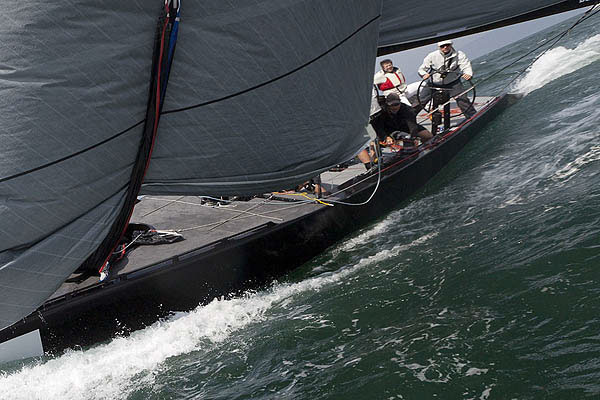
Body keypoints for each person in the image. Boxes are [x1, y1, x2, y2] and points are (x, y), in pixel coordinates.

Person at [417, 40, 476, 118]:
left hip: (453, 83)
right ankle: (407, 120)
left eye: (447, 45)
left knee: (463, 100)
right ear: (439, 47)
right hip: (433, 84)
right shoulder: (432, 56)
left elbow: (466, 65)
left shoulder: (459, 55)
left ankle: (472, 116)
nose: (445, 47)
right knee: (420, 102)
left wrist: (468, 73)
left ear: (451, 45)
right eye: (442, 46)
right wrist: (424, 74)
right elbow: (421, 69)